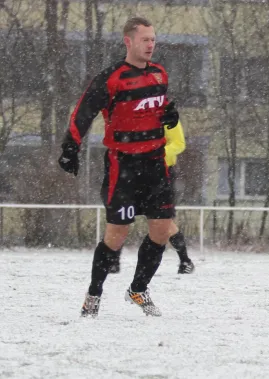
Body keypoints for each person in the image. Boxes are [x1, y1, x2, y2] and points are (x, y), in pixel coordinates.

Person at [58, 16, 178, 318]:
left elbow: (163, 109)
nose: (151, 45)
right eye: (145, 40)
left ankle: (138, 289)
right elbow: (83, 111)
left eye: (153, 39)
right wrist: (70, 147)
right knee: (116, 235)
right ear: (129, 41)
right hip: (123, 165)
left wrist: (171, 116)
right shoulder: (112, 77)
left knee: (162, 231)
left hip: (155, 164)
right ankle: (94, 295)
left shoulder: (160, 74)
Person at [108, 120, 195, 275]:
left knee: (161, 220)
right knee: (121, 214)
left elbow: (179, 143)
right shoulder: (133, 114)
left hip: (161, 174)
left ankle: (185, 260)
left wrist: (154, 156)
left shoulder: (167, 116)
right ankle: (113, 261)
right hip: (132, 171)